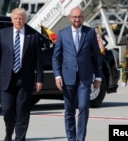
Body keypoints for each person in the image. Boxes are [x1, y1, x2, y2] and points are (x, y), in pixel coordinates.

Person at [0, 8, 44, 141]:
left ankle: (20, 138)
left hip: (25, 79)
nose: (18, 21)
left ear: (25, 20)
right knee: (8, 110)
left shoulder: (33, 35)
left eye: (21, 18)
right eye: (16, 18)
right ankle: (9, 132)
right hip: (6, 79)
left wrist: (39, 79)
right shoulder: (3, 34)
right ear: (11, 19)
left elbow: (38, 59)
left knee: (23, 112)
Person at [52, 7, 102, 141]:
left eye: (79, 17)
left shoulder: (90, 33)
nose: (77, 19)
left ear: (83, 18)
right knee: (69, 111)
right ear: (70, 18)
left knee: (84, 107)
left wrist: (98, 77)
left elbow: (97, 57)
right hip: (67, 78)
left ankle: (80, 138)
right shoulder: (63, 34)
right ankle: (71, 138)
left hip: (84, 78)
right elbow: (56, 57)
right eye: (74, 17)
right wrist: (57, 75)